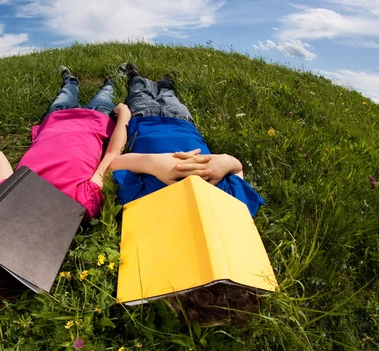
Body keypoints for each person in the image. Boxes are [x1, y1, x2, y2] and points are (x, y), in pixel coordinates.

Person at [0, 67, 208, 309]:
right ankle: (106, 82)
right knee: (103, 97)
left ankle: (76, 79)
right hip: (97, 119)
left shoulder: (7, 196)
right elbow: (109, 160)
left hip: (56, 118)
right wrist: (122, 120)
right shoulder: (78, 205)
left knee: (69, 92)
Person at [110, 64, 265, 326]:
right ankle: (165, 84)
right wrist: (224, 161)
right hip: (183, 122)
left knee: (139, 90)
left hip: (143, 120)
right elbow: (238, 167)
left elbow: (114, 165)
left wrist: (153, 164)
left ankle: (137, 77)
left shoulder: (147, 208)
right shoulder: (233, 209)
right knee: (169, 96)